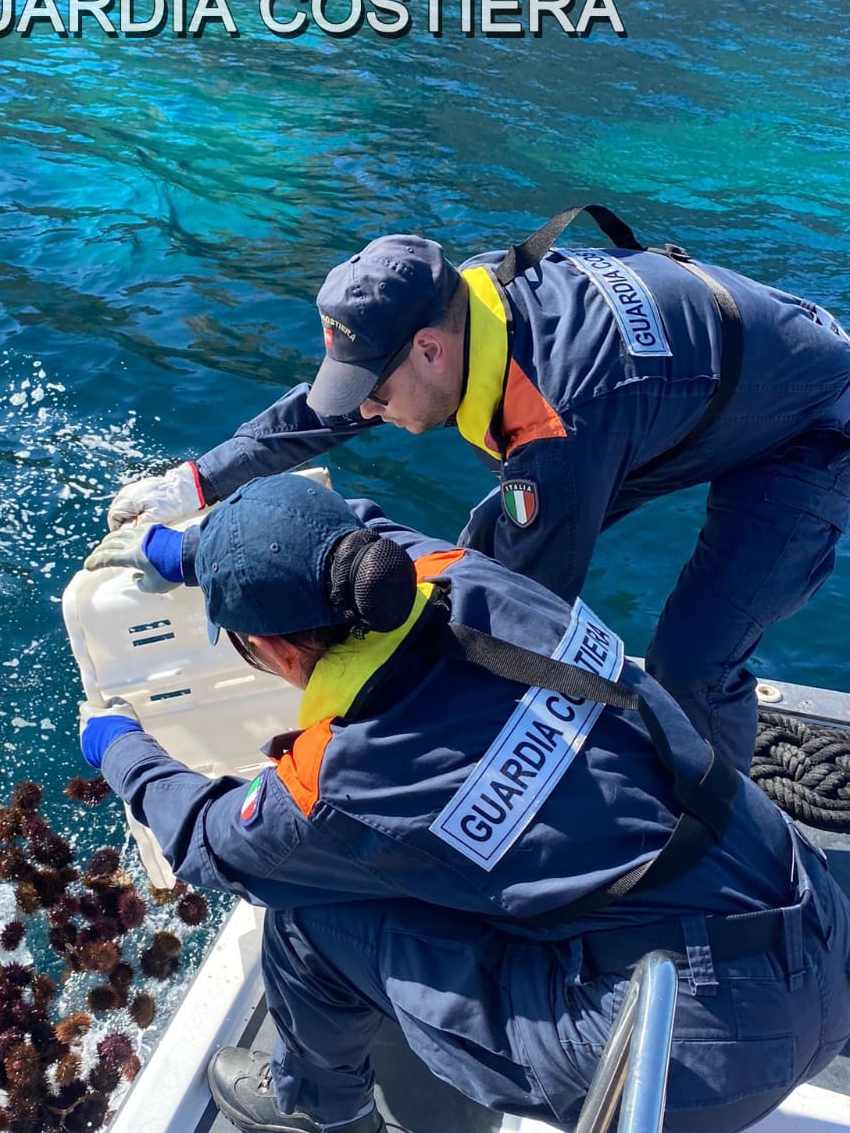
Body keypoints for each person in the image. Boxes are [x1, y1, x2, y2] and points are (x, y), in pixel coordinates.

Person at [79, 472, 850, 1133]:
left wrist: (117, 745)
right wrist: (189, 552)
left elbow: (209, 839)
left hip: (700, 1049)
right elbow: (352, 524)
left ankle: (321, 1111)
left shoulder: (344, 776)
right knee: (631, 1041)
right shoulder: (463, 573)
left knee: (313, 910)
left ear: (272, 649)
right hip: (807, 920)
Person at [105, 206, 850, 772]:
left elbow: (520, 616)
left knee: (691, 662)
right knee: (479, 560)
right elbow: (328, 408)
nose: (365, 410)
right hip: (697, 388)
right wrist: (197, 484)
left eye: (374, 391)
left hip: (812, 425)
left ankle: (717, 832)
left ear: (430, 348)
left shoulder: (554, 427)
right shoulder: (467, 296)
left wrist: (376, 736)